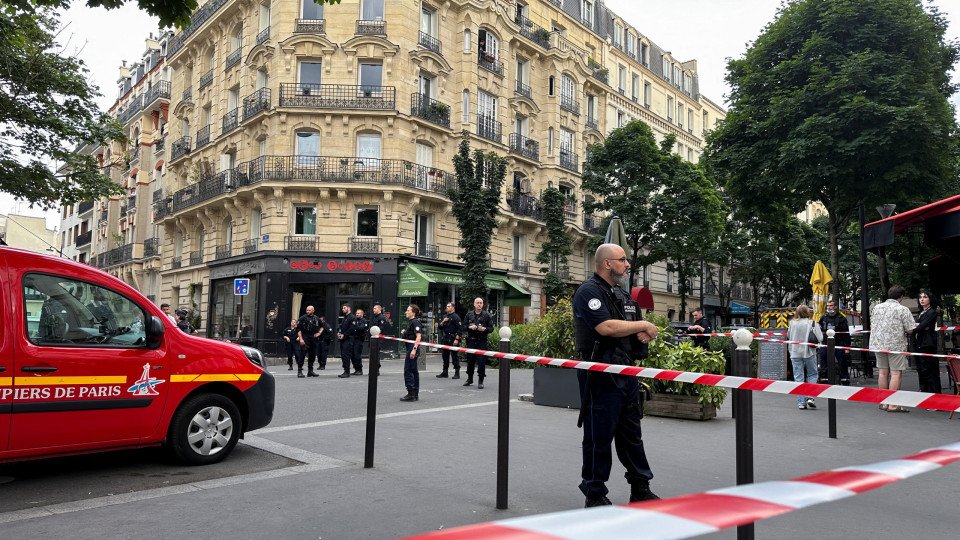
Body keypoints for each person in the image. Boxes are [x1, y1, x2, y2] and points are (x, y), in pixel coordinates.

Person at [573, 243, 660, 508]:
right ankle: (595, 492)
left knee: (631, 434)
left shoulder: (620, 294)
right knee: (599, 436)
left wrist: (641, 333)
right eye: (622, 259)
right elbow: (606, 327)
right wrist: (643, 325)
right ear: (607, 263)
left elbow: (628, 327)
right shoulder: (589, 291)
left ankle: (640, 487)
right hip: (600, 373)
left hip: (626, 372)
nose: (627, 264)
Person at [871, 285, 917, 412]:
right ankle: (893, 404)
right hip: (895, 345)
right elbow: (910, 329)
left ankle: (884, 402)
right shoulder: (902, 309)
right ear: (901, 297)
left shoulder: (876, 307)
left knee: (882, 372)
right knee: (896, 373)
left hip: (878, 344)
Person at [787, 304, 822, 410]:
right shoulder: (812, 323)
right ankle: (810, 397)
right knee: (812, 374)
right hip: (809, 352)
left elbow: (789, 336)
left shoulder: (792, 323)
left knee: (798, 377)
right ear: (807, 312)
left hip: (795, 352)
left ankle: (801, 403)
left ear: (797, 312)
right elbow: (820, 337)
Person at [912, 290, 942, 394]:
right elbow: (918, 326)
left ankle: (935, 395)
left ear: (930, 299)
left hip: (928, 344)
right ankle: (924, 392)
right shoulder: (921, 313)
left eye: (925, 297)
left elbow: (920, 326)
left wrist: (913, 328)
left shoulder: (932, 312)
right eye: (920, 297)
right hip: (919, 343)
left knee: (930, 370)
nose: (922, 299)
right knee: (921, 369)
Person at [818, 299, 851, 385]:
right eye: (828, 306)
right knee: (823, 363)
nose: (829, 307)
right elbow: (819, 330)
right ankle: (824, 381)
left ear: (835, 307)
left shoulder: (841, 318)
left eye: (831, 306)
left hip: (838, 344)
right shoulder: (823, 318)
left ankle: (845, 381)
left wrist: (847, 347)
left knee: (842, 363)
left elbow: (846, 334)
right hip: (825, 344)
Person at [463, 297, 493, 389]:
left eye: (481, 303)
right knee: (470, 361)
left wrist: (484, 329)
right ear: (474, 304)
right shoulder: (469, 314)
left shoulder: (486, 315)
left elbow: (491, 328)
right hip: (471, 341)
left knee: (481, 361)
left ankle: (481, 381)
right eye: (477, 303)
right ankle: (469, 379)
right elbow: (463, 327)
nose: (479, 304)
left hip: (481, 341)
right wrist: (469, 327)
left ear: (483, 304)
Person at [400, 304, 424, 402]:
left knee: (408, 370)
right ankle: (414, 394)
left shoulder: (415, 322)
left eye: (408, 310)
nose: (406, 312)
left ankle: (411, 393)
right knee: (413, 371)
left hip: (412, 348)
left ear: (413, 312)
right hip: (410, 347)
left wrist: (414, 349)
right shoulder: (411, 322)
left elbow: (418, 337)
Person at [437, 302, 462, 379]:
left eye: (449, 306)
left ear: (453, 307)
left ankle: (457, 372)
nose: (447, 307)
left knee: (454, 356)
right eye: (447, 306)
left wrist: (457, 339)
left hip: (452, 338)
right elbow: (440, 327)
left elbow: (460, 329)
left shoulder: (456, 317)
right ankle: (445, 372)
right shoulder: (445, 316)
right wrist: (443, 321)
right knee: (445, 356)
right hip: (445, 338)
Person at [296, 305, 322, 378]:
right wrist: (301, 339)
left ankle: (310, 371)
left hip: (313, 338)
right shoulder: (302, 318)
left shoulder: (316, 318)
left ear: (313, 310)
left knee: (312, 355)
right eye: (307, 310)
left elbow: (323, 326)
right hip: (305, 337)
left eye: (309, 310)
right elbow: (298, 329)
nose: (307, 311)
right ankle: (299, 371)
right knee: (302, 355)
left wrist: (319, 333)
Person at [370, 303, 390, 375]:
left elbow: (379, 329)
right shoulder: (375, 317)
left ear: (379, 309)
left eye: (375, 308)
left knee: (376, 355)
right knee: (373, 355)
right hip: (373, 338)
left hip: (378, 339)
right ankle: (373, 370)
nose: (373, 310)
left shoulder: (381, 318)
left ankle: (376, 370)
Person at [337, 303, 356, 378]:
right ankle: (345, 370)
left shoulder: (352, 317)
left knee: (346, 355)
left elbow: (352, 329)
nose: (343, 309)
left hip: (348, 339)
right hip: (343, 339)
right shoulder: (345, 317)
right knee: (343, 355)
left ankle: (347, 372)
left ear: (348, 308)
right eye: (342, 308)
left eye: (344, 308)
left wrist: (344, 335)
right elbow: (341, 327)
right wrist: (339, 332)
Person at [351, 308, 369, 375]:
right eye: (356, 313)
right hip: (353, 339)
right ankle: (356, 369)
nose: (357, 314)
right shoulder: (355, 320)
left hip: (359, 339)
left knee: (357, 355)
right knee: (352, 355)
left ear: (362, 314)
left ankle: (359, 370)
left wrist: (354, 326)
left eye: (358, 313)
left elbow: (361, 328)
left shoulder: (364, 321)